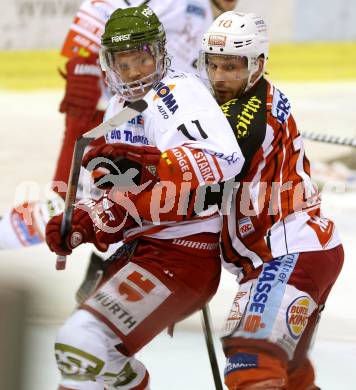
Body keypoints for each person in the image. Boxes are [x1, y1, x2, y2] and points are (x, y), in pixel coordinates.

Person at [45, 6, 244, 389]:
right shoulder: (120, 108)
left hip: (183, 254)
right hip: (144, 251)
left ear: (159, 53)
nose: (135, 71)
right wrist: (86, 222)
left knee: (81, 343)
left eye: (142, 58)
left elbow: (224, 158)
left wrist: (155, 165)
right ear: (109, 64)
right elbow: (125, 197)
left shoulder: (178, 93)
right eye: (124, 62)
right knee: (92, 356)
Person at [0, 0, 239, 252]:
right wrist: (64, 187)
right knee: (110, 193)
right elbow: (86, 56)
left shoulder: (203, 15)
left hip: (168, 121)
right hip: (129, 111)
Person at [198, 11, 344, 389]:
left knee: (251, 362)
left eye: (231, 66)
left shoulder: (247, 115)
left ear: (258, 63)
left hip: (287, 253)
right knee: (290, 377)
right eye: (213, 65)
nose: (220, 77)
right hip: (295, 251)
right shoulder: (253, 93)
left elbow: (196, 178)